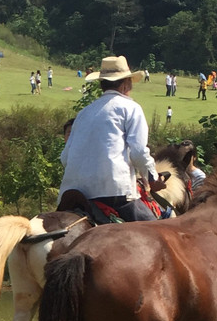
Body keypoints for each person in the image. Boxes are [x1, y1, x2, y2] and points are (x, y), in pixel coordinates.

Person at [57, 55, 166, 222]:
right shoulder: (131, 108)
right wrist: (153, 178)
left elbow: (65, 158)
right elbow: (138, 152)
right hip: (113, 192)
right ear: (125, 84)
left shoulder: (83, 113)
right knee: (157, 233)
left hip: (72, 193)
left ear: (102, 84)